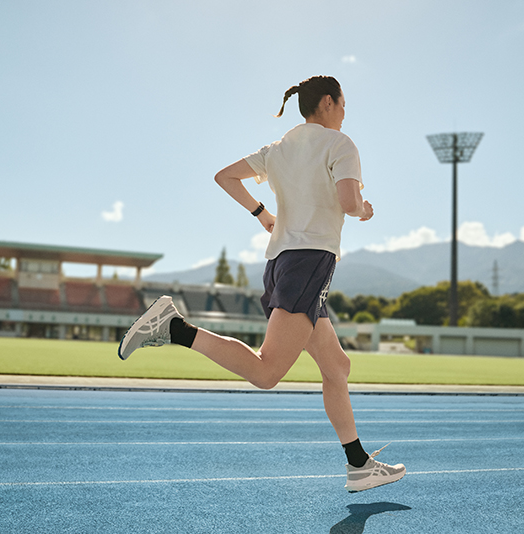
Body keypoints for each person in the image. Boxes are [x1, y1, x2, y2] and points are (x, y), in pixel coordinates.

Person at [118, 75, 405, 493]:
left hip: (282, 262)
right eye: (343, 104)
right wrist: (364, 210)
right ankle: (173, 327)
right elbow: (348, 202)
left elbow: (225, 176)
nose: (345, 113)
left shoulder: (278, 148)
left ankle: (359, 465)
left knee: (337, 367)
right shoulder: (340, 144)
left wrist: (262, 214)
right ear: (328, 102)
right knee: (267, 372)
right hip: (309, 264)